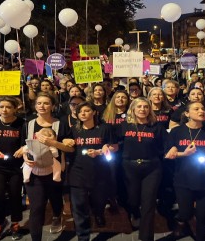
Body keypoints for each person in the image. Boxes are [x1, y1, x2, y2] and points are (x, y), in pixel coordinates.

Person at [164, 101, 205, 240]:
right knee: (185, 213)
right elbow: (168, 154)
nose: (201, 111)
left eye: (203, 108)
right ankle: (180, 221)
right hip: (183, 179)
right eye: (196, 109)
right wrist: (181, 153)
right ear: (187, 114)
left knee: (203, 215)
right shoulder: (177, 131)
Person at [24, 93, 74, 241]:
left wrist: (53, 143)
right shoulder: (29, 124)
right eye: (39, 103)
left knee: (56, 199)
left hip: (54, 170)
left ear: (52, 106)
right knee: (37, 207)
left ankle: (57, 216)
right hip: (34, 171)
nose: (42, 106)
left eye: (46, 103)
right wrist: (26, 158)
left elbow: (69, 148)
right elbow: (23, 146)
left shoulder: (61, 123)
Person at [117, 97, 167, 241]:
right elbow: (114, 142)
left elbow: (167, 144)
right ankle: (134, 213)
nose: (142, 109)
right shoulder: (124, 126)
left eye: (146, 107)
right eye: (139, 107)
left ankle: (146, 237)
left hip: (152, 168)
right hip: (129, 167)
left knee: (148, 203)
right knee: (132, 200)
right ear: (133, 109)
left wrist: (173, 150)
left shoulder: (156, 126)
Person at [67, 102, 117, 240]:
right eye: (80, 111)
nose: (83, 113)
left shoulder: (105, 128)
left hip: (100, 171)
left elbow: (115, 147)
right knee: (79, 207)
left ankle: (99, 213)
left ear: (94, 112)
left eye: (87, 110)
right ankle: (83, 236)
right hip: (77, 172)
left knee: (99, 201)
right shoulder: (74, 129)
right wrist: (65, 141)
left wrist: (101, 151)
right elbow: (66, 143)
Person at [0, 96, 26, 241]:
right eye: (2, 106)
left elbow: (26, 142)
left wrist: (23, 148)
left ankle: (15, 224)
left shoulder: (22, 124)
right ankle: (1, 222)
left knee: (15, 196)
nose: (4, 110)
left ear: (15, 109)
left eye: (8, 107)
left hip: (15, 167)